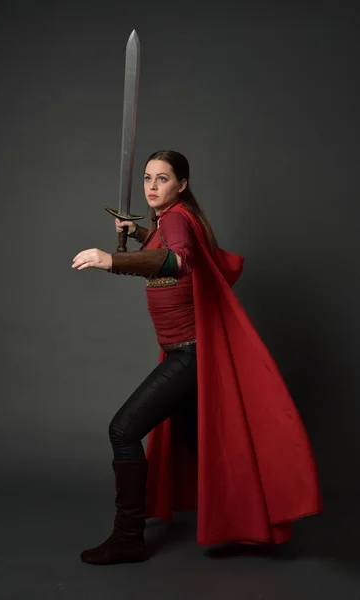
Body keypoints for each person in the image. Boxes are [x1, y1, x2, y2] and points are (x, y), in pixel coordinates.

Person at [71, 150, 323, 566]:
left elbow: (179, 260)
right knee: (202, 442)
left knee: (123, 430)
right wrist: (135, 234)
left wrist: (110, 259)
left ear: (182, 185)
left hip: (188, 356)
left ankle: (128, 539)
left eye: (163, 179)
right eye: (148, 178)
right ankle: (248, 519)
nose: (152, 187)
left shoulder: (174, 219)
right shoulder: (173, 219)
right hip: (185, 352)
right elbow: (165, 248)